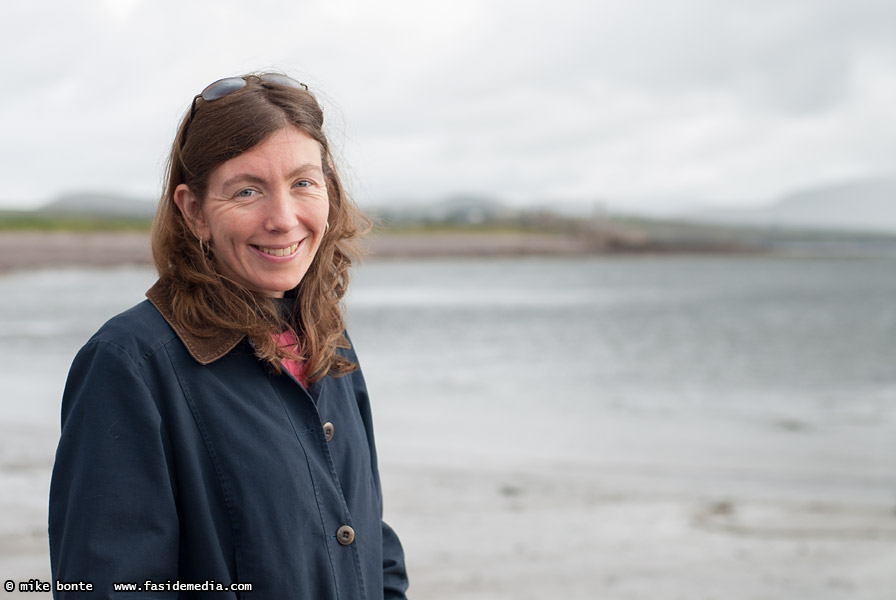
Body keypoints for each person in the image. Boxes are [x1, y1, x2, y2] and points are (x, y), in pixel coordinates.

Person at [48, 73, 409, 599]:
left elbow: (370, 537)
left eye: (304, 183)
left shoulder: (327, 337)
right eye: (247, 190)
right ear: (193, 211)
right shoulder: (129, 362)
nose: (283, 219)